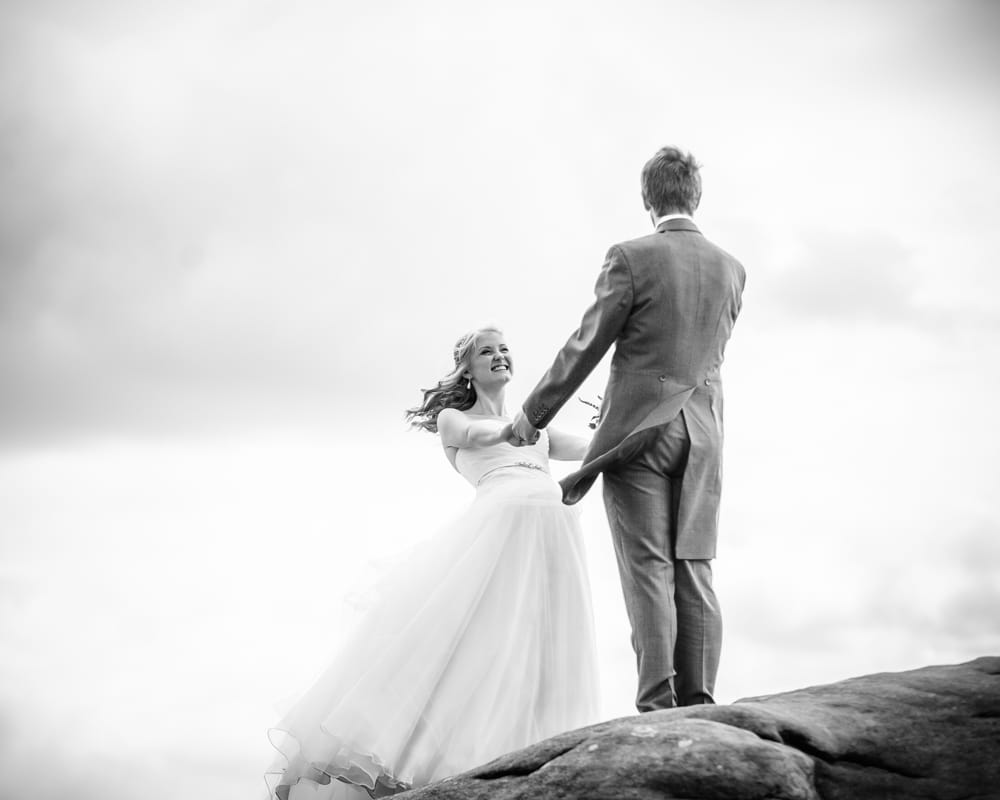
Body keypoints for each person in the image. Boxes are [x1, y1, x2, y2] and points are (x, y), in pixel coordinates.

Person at [266, 327, 600, 800]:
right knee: (480, 645)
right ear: (468, 369)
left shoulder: (538, 431)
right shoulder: (453, 418)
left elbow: (592, 448)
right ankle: (448, 759)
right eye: (488, 351)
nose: (500, 355)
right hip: (497, 536)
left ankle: (531, 751)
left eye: (504, 349)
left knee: (539, 644)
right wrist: (517, 426)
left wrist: (614, 420)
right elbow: (478, 433)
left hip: (553, 540)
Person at [512, 146, 746, 711]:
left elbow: (585, 346)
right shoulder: (732, 268)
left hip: (639, 435)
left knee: (648, 565)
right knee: (694, 565)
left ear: (647, 198)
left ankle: (657, 703)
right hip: (704, 435)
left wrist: (532, 415)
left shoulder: (630, 257)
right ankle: (699, 700)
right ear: (696, 196)